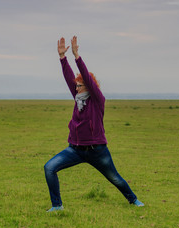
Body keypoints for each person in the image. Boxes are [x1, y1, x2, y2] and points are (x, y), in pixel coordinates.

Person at [44, 36, 144, 212]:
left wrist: (77, 56)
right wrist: (62, 58)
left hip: (97, 151)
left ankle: (133, 200)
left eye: (80, 86)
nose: (77, 89)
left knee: (115, 178)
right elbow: (69, 78)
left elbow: (87, 80)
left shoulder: (98, 100)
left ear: (89, 87)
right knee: (49, 168)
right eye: (76, 86)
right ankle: (57, 206)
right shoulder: (78, 99)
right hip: (75, 149)